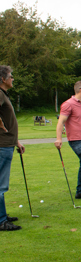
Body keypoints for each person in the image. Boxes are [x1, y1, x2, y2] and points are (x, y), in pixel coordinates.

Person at [54, 81, 81, 199]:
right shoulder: (68, 104)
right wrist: (58, 138)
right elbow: (61, 122)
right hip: (77, 141)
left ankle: (80, 192)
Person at [0, 65, 25, 231]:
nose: (12, 79)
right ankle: (1, 221)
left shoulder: (4, 94)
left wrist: (17, 141)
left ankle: (2, 215)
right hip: (2, 145)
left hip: (8, 143)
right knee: (1, 185)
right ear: (3, 79)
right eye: (11, 76)